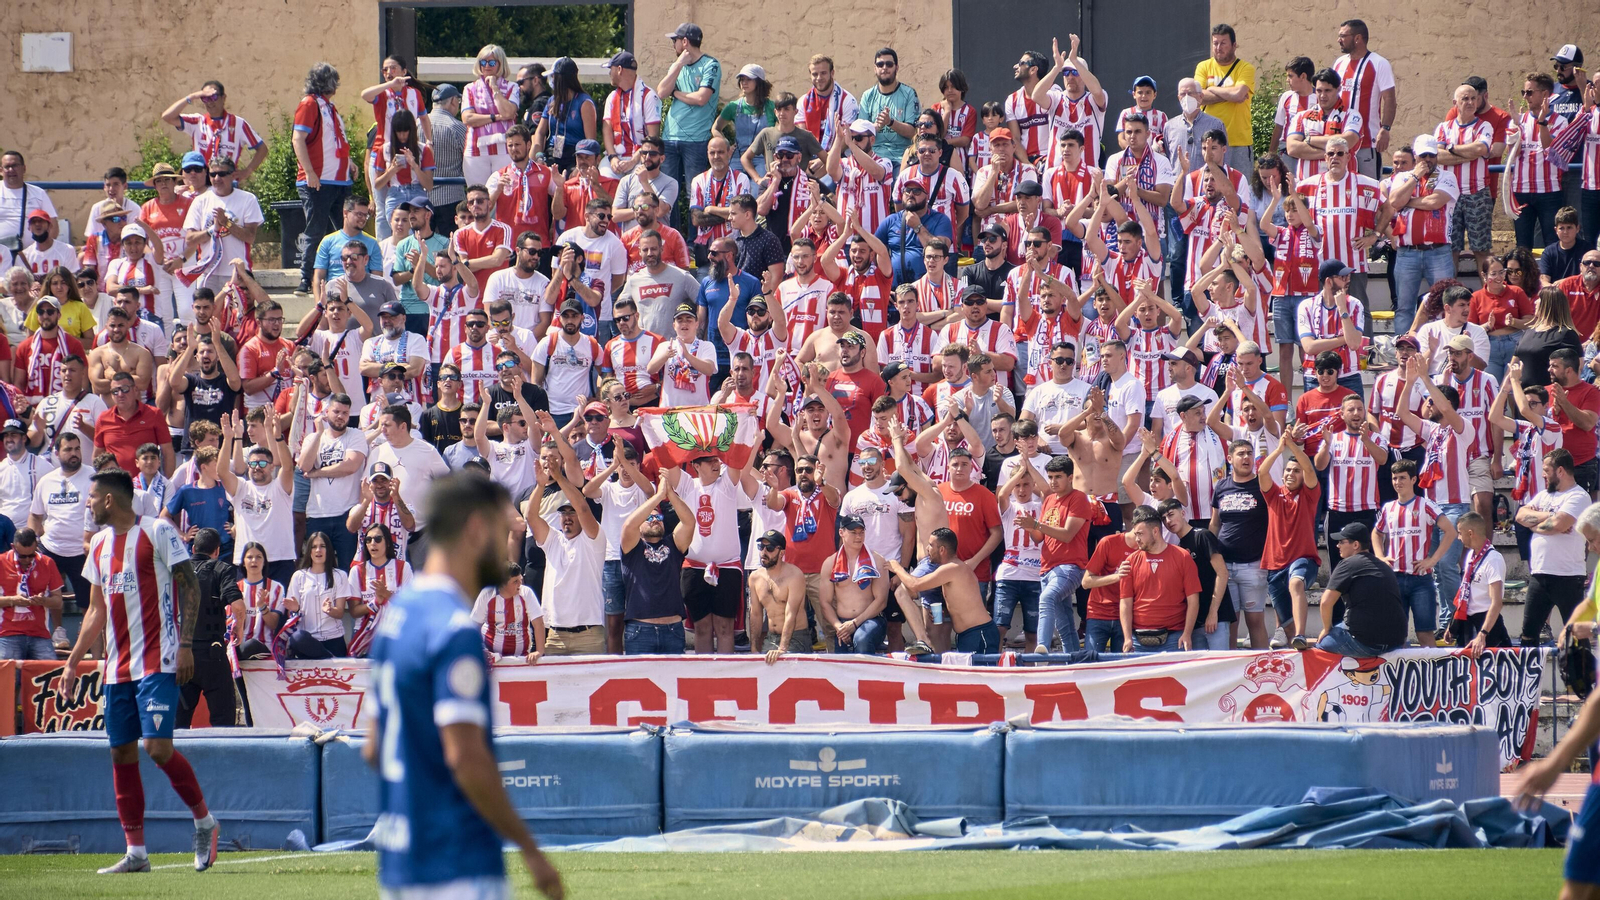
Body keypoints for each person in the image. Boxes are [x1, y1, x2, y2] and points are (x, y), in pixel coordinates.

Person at [363, 472, 563, 899]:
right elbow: (466, 758)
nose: (509, 537)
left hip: (400, 864)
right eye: (501, 526)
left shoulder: (397, 618)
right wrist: (531, 851)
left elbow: (373, 748)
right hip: (457, 861)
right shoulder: (455, 630)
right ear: (476, 528)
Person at [58, 469, 217, 874]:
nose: (88, 504)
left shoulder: (158, 532)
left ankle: (204, 822)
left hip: (159, 659)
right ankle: (137, 853)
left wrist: (184, 645)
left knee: (156, 748)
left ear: (109, 500)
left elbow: (190, 586)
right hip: (117, 667)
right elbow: (95, 610)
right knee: (121, 752)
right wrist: (74, 662)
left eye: (92, 497)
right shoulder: (97, 545)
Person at [1394, 353, 1475, 634]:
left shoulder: (1462, 427)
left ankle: (1458, 620)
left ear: (1446, 404)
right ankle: (1446, 622)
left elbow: (1447, 410)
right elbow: (1403, 414)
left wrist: (1427, 378)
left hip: (1454, 506)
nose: (1427, 405)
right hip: (1430, 507)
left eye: (1431, 401)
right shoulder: (1433, 431)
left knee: (1447, 567)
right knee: (1434, 568)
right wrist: (1410, 380)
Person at [528, 452, 604, 656]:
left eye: (572, 513)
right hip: (554, 636)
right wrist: (541, 485)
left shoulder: (593, 539)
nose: (567, 518)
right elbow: (531, 517)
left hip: (589, 636)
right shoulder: (553, 540)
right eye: (563, 514)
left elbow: (583, 508)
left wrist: (559, 477)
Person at [1016, 455, 1094, 652]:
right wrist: (1029, 527)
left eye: (1058, 477)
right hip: (1046, 568)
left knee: (1046, 599)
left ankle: (1042, 645)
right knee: (1065, 625)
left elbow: (1068, 535)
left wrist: (1035, 525)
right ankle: (1074, 664)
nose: (1053, 481)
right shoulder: (1049, 499)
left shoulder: (1079, 498)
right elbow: (1039, 537)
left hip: (1071, 566)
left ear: (1070, 477)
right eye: (1050, 477)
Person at [1514, 448, 1590, 646]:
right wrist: (1550, 517)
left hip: (1568, 576)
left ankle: (1580, 677)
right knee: (1528, 636)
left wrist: (1539, 523)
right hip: (1539, 574)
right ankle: (1527, 677)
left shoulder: (1579, 497)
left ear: (1561, 471)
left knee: (1575, 639)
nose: (1542, 474)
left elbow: (1558, 525)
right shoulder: (1544, 496)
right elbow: (1520, 516)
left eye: (1546, 470)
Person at [290, 63, 352, 297]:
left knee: (346, 229)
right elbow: (298, 139)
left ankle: (345, 273)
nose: (336, 86)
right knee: (315, 229)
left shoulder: (330, 107)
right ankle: (306, 278)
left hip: (339, 180)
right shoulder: (309, 104)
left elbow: (335, 141)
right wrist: (310, 172)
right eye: (334, 81)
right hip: (319, 180)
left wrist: (350, 163)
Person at [888, 526, 995, 653]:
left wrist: (897, 568)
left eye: (930, 545)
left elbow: (915, 585)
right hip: (968, 635)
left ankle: (923, 641)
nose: (927, 549)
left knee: (980, 673)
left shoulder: (952, 568)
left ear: (942, 550)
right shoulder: (953, 569)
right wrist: (947, 611)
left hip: (979, 633)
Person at [175, 527, 240, 728]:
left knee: (178, 723)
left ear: (193, 548)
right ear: (217, 551)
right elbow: (238, 605)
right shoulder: (222, 568)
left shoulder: (176, 570)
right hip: (213, 654)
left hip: (181, 653)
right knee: (224, 722)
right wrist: (239, 629)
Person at [298, 393, 368, 570]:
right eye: (336, 411)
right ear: (326, 412)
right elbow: (305, 466)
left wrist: (318, 473)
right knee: (318, 569)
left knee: (348, 569)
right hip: (317, 515)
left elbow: (350, 466)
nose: (340, 416)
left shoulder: (356, 435)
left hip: (347, 513)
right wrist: (319, 433)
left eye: (345, 413)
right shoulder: (312, 438)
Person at [1316, 521, 1407, 655]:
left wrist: (1326, 629)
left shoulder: (1348, 564)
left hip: (1365, 642)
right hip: (1397, 641)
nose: (1337, 545)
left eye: (1342, 542)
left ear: (1355, 545)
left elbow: (1325, 602)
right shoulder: (1384, 566)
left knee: (1322, 644)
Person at [1508, 73, 1568, 252]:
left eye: (1529, 92)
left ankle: (1551, 280)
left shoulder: (1560, 121)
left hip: (1549, 191)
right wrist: (1516, 128)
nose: (1525, 97)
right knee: (1522, 246)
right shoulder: (1519, 119)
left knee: (1552, 242)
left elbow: (1551, 150)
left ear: (1545, 94)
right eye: (1523, 92)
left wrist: (1542, 123)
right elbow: (1513, 153)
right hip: (1521, 190)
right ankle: (1523, 280)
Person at [1444, 511, 1513, 652]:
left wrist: (1483, 634)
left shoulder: (1493, 559)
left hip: (1487, 625)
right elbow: (1465, 592)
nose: (1458, 538)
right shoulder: (1471, 555)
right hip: (1468, 622)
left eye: (1460, 533)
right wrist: (1453, 624)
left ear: (1470, 533)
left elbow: (1496, 603)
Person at [0, 527, 65, 660]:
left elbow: (58, 602)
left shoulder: (47, 563)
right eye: (22, 556)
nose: (27, 559)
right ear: (13, 547)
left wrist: (44, 601)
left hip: (39, 634)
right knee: (7, 676)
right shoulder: (1, 562)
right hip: (7, 633)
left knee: (51, 673)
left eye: (32, 555)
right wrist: (13, 600)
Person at [747, 529, 809, 661]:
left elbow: (791, 613)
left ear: (781, 553)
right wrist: (753, 648)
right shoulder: (755, 577)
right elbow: (755, 614)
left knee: (784, 668)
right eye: (761, 547)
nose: (764, 552)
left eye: (769, 548)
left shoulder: (794, 575)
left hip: (795, 637)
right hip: (771, 638)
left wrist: (782, 649)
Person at [471, 562, 544, 662]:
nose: (520, 584)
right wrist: (481, 649)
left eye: (520, 580)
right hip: (491, 658)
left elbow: (538, 623)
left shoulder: (526, 593)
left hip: (521, 658)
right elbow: (475, 625)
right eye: (515, 581)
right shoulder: (487, 594)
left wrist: (539, 651)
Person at [427, 84, 468, 235]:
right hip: (451, 197)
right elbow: (469, 162)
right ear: (452, 101)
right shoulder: (457, 127)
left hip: (422, 197)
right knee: (451, 246)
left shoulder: (416, 124)